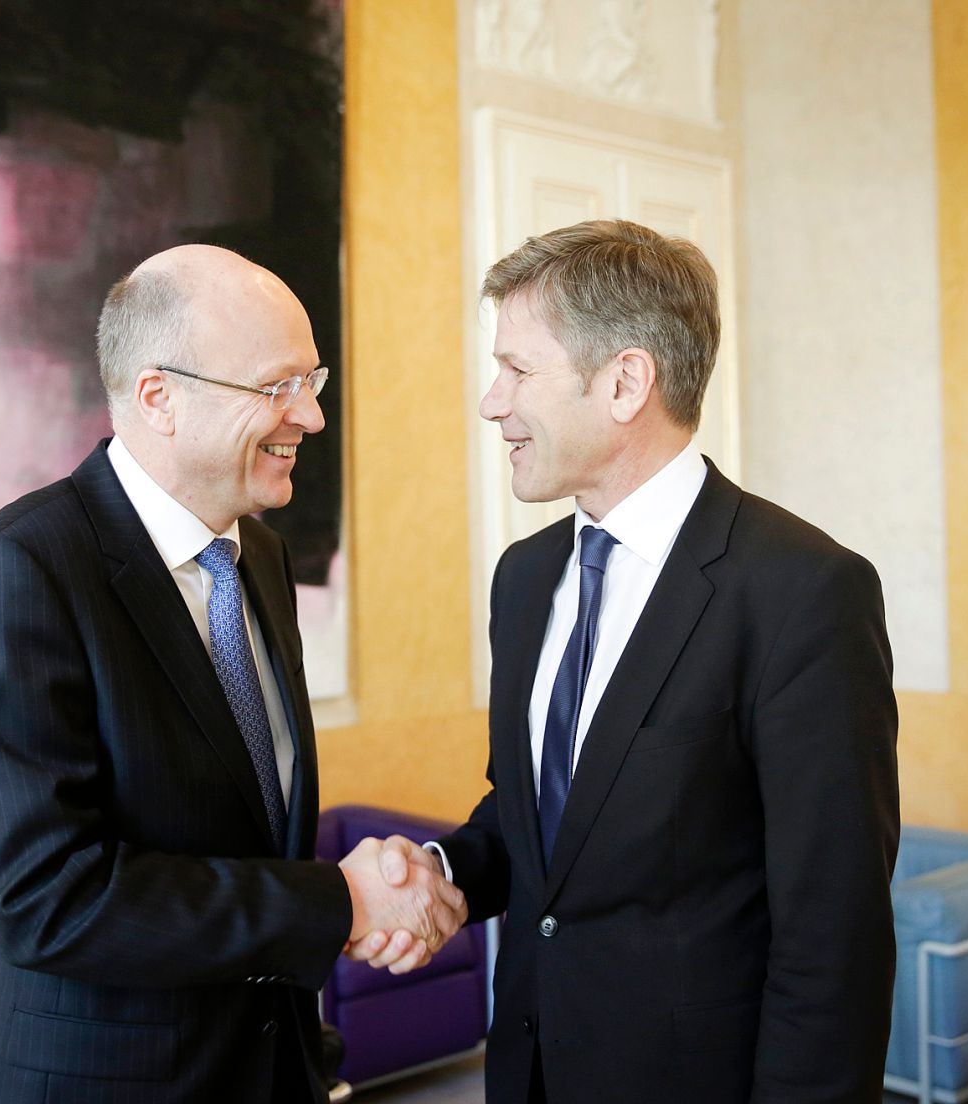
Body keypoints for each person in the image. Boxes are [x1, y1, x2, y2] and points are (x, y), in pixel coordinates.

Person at [354, 220, 900, 1102]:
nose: (492, 403)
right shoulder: (523, 578)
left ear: (625, 382)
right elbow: (540, 821)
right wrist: (442, 875)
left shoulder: (801, 591)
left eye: (517, 370)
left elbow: (835, 935)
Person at [0, 244, 464, 1104]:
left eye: (312, 381)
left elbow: (245, 831)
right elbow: (48, 898)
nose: (311, 417)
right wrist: (341, 900)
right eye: (277, 386)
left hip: (270, 1067)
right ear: (159, 398)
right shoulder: (22, 569)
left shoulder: (261, 556)